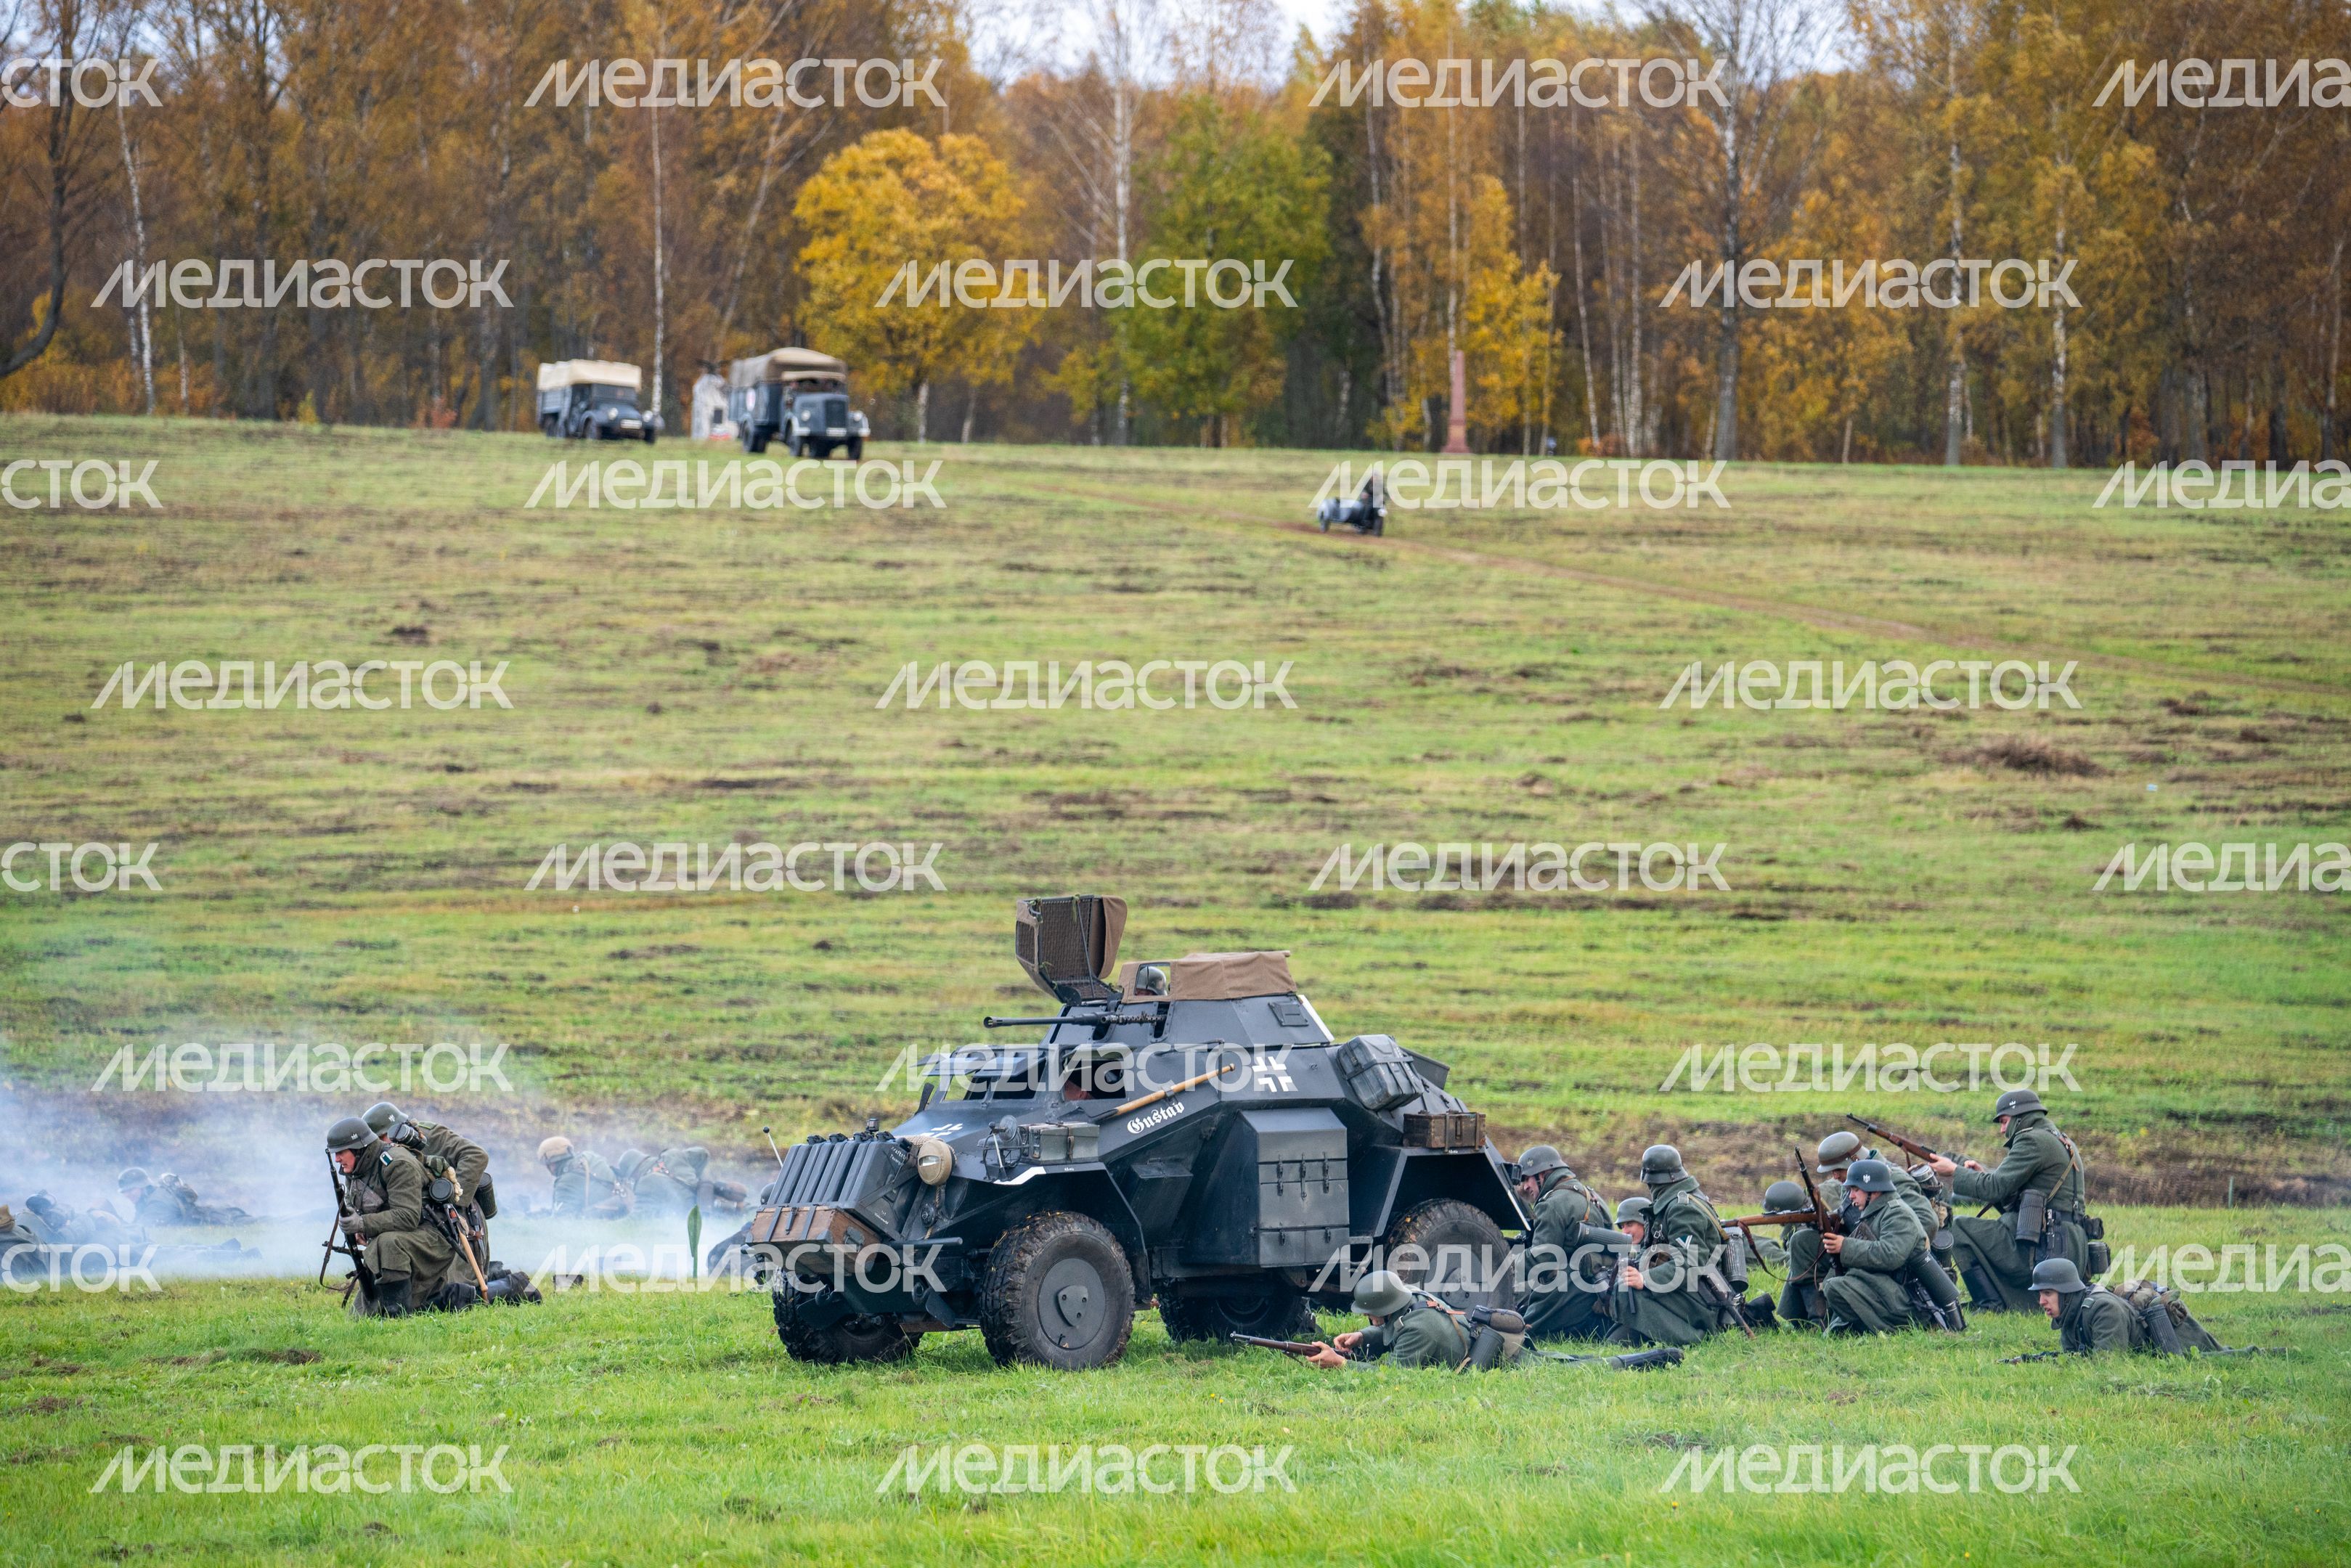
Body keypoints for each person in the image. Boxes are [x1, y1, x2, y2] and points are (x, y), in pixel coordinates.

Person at [1927, 1090, 2090, 1312]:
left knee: (1958, 1228)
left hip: (2045, 1246)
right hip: (2066, 1243)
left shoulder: (2031, 1140)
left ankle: (1990, 1304)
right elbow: (2012, 1190)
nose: (2003, 1130)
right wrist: (1982, 1173)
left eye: (2004, 1122)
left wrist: (1954, 1171)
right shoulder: (2057, 1138)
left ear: (2020, 1117)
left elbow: (1995, 1187)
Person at [1603, 1146, 1739, 1347]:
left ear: (1651, 1181)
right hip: (1689, 1293)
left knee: (1625, 1293)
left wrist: (1645, 1280)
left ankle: (1694, 1337)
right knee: (1616, 1337)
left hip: (1702, 1301)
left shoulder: (1682, 1208)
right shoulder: (1677, 1202)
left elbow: (1689, 1262)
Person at [327, 1116, 457, 1316]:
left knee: (388, 1243)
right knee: (361, 1316)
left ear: (359, 1148)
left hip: (433, 1237)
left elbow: (408, 1216)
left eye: (341, 1152)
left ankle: (397, 1315)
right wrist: (357, 1227)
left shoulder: (397, 1164)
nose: (337, 1159)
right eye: (335, 1154)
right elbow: (357, 1205)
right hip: (402, 1242)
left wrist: (362, 1224)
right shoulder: (355, 1169)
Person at [1512, 1146, 1618, 1343]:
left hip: (1570, 1294)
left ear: (1542, 1175)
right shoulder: (1591, 1195)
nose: (1525, 1186)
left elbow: (1542, 1259)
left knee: (1521, 1330)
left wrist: (1506, 1266)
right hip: (1599, 1294)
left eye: (1527, 1179)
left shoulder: (1551, 1204)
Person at [1817, 1159, 1932, 1334]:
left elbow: (1890, 1255)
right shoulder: (1878, 1211)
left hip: (1909, 1300)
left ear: (1875, 1190)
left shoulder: (1898, 1214)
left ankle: (1889, 1330)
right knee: (1834, 1281)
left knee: (1836, 1286)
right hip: (1891, 1290)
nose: (1851, 1196)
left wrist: (1845, 1246)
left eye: (1856, 1190)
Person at [1303, 1271, 1471, 1369]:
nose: (1365, 1316)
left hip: (1472, 1364)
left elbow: (1392, 1374)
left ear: (1385, 1309)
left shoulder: (1418, 1329)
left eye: (1369, 1312)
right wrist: (1362, 1336)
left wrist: (1341, 1363)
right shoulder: (1407, 1297)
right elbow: (1395, 1327)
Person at [616, 1147, 749, 1216]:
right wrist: (696, 1180)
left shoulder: (646, 1183)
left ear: (633, 1172)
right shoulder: (672, 1154)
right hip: (710, 1198)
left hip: (696, 1214)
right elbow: (702, 1154)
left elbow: (639, 1218)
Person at [116, 1167, 250, 1227]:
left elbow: (143, 1228)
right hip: (214, 1218)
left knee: (263, 1223)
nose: (127, 1195)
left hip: (219, 1220)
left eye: (131, 1190)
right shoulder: (147, 1200)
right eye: (125, 1192)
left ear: (143, 1186)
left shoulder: (158, 1201)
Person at [539, 1137, 632, 1218]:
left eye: (547, 1165)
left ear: (552, 1163)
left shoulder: (566, 1182)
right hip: (621, 1207)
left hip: (601, 1218)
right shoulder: (588, 1157)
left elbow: (562, 1220)